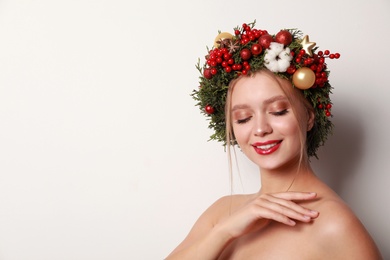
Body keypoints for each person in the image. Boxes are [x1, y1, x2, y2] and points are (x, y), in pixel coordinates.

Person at [166, 21, 382, 259]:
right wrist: (225, 232)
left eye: (278, 111)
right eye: (243, 118)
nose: (260, 129)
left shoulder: (335, 225)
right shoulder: (223, 213)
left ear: (309, 117)